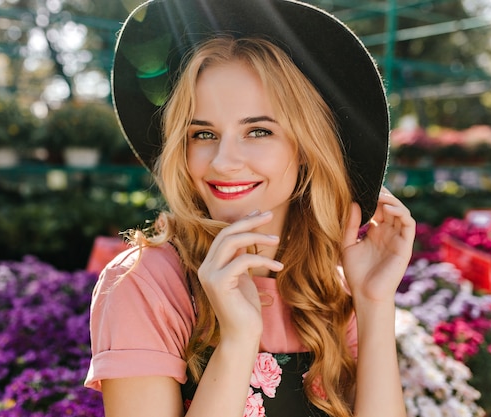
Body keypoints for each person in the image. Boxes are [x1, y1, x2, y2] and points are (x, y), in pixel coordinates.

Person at [85, 1, 415, 416]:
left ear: (307, 148)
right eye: (203, 134)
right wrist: (238, 340)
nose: (223, 161)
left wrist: (373, 302)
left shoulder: (328, 290)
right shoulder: (145, 284)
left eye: (258, 131)